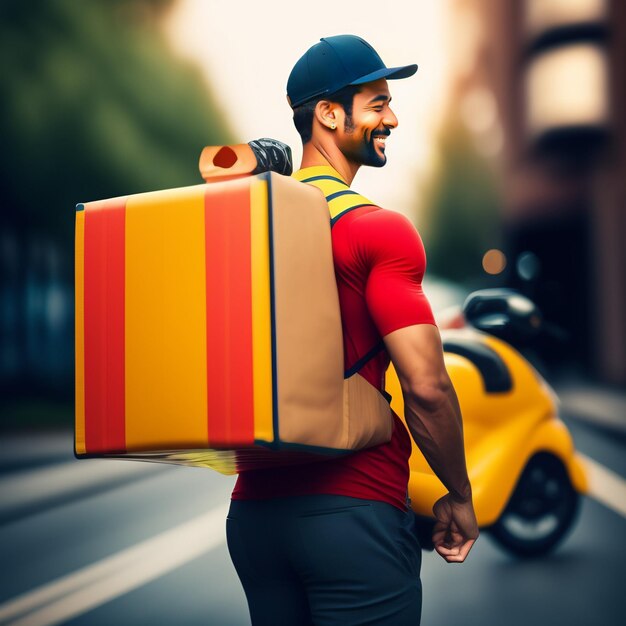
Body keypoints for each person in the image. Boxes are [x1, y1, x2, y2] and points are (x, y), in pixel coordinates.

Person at [226, 35, 479, 626]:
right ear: (329, 114)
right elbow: (427, 387)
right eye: (377, 103)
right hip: (353, 510)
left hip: (253, 519)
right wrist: (459, 495)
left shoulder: (242, 226)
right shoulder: (378, 231)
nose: (392, 117)